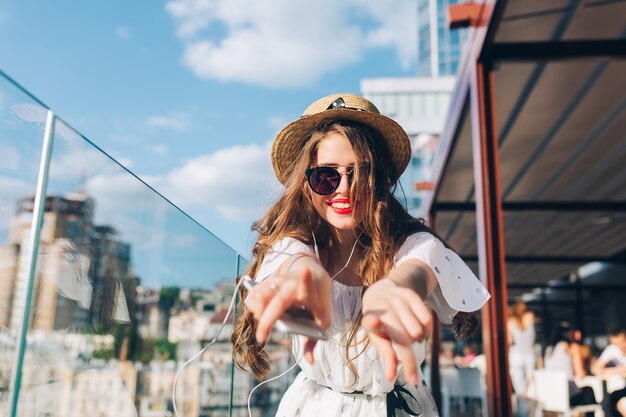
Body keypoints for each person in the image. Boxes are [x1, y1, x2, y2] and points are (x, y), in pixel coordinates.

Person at [231, 93, 490, 417]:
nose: (344, 189)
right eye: (326, 176)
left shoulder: (415, 245)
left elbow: (416, 269)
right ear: (306, 184)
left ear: (380, 180)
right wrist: (303, 276)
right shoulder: (293, 247)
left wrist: (396, 288)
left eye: (361, 174)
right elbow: (296, 262)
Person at [544, 322, 598, 410]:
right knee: (589, 390)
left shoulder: (549, 350)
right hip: (567, 396)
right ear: (568, 335)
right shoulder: (571, 347)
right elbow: (581, 375)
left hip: (553, 398)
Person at [592, 328, 626, 417]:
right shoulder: (613, 349)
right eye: (616, 344)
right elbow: (595, 369)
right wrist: (620, 370)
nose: (621, 346)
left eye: (622, 342)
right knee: (607, 402)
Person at [507, 300, 536, 396]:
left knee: (519, 385)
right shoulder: (529, 317)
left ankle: (522, 408)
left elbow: (509, 340)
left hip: (516, 354)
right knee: (531, 384)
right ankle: (531, 407)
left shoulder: (511, 321)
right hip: (530, 353)